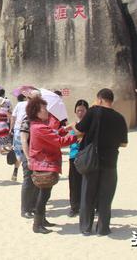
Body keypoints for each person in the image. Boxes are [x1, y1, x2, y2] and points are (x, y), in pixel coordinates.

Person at [74, 88, 128, 236]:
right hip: (110, 161)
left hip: (92, 161)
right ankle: (103, 228)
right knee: (106, 197)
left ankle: (86, 227)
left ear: (99, 99)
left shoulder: (93, 111)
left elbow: (79, 129)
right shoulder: (120, 117)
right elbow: (124, 143)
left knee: (87, 195)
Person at [27, 96, 77, 233]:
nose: (46, 111)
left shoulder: (39, 126)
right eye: (44, 109)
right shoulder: (39, 128)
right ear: (37, 112)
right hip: (44, 165)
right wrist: (77, 136)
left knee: (45, 194)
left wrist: (63, 130)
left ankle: (42, 220)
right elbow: (59, 141)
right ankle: (37, 224)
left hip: (44, 164)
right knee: (43, 196)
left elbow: (53, 133)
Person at [12, 93, 36, 216]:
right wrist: (27, 157)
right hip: (29, 153)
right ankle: (26, 209)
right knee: (28, 179)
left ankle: (33, 206)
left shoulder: (41, 118)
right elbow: (23, 139)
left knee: (36, 180)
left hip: (38, 154)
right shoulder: (27, 119)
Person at [68, 99, 89, 217]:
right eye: (78, 110)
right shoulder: (73, 124)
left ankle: (86, 206)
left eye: (83, 110)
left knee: (86, 182)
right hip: (73, 156)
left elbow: (81, 136)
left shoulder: (89, 124)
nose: (80, 113)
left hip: (85, 156)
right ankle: (74, 207)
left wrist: (73, 128)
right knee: (74, 183)